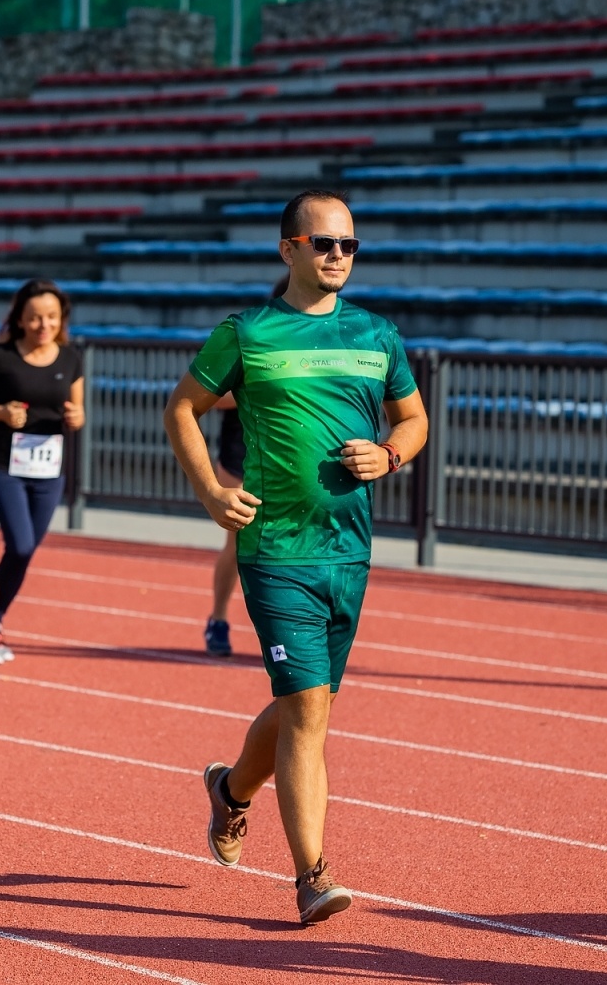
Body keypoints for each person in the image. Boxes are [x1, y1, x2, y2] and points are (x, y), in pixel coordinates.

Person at [163, 189, 428, 925]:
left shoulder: (377, 334)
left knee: (305, 705)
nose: (338, 255)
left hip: (350, 551)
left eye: (348, 245)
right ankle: (313, 877)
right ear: (289, 251)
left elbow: (412, 417)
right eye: (324, 244)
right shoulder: (247, 333)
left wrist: (391, 453)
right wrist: (213, 491)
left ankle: (230, 791)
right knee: (310, 711)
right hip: (276, 548)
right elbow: (180, 408)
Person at [0, 279, 85, 664]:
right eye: (34, 318)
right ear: (20, 319)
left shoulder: (70, 358)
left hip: (50, 470)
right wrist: (0, 412)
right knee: (21, 545)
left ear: (61, 319)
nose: (43, 325)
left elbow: (77, 413)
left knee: (25, 552)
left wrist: (77, 417)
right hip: (7, 467)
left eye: (50, 317)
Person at [202, 274, 289, 658]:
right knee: (238, 542)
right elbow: (206, 398)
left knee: (289, 547)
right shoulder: (250, 336)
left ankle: (285, 632)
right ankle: (219, 618)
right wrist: (255, 391)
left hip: (290, 465)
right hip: (243, 458)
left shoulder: (326, 344)